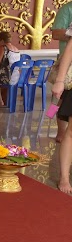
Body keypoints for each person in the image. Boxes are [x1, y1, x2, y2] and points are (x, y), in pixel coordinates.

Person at [52, 39, 72, 195]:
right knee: (57, 104)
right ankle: (64, 177)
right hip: (68, 80)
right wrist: (60, 80)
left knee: (59, 104)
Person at [51, 1, 72, 142]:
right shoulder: (67, 8)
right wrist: (70, 34)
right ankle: (59, 131)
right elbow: (56, 33)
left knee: (62, 101)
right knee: (58, 100)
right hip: (67, 63)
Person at [0, 31, 21, 108]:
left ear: (2, 41)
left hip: (7, 77)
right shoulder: (16, 49)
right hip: (16, 76)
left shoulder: (3, 48)